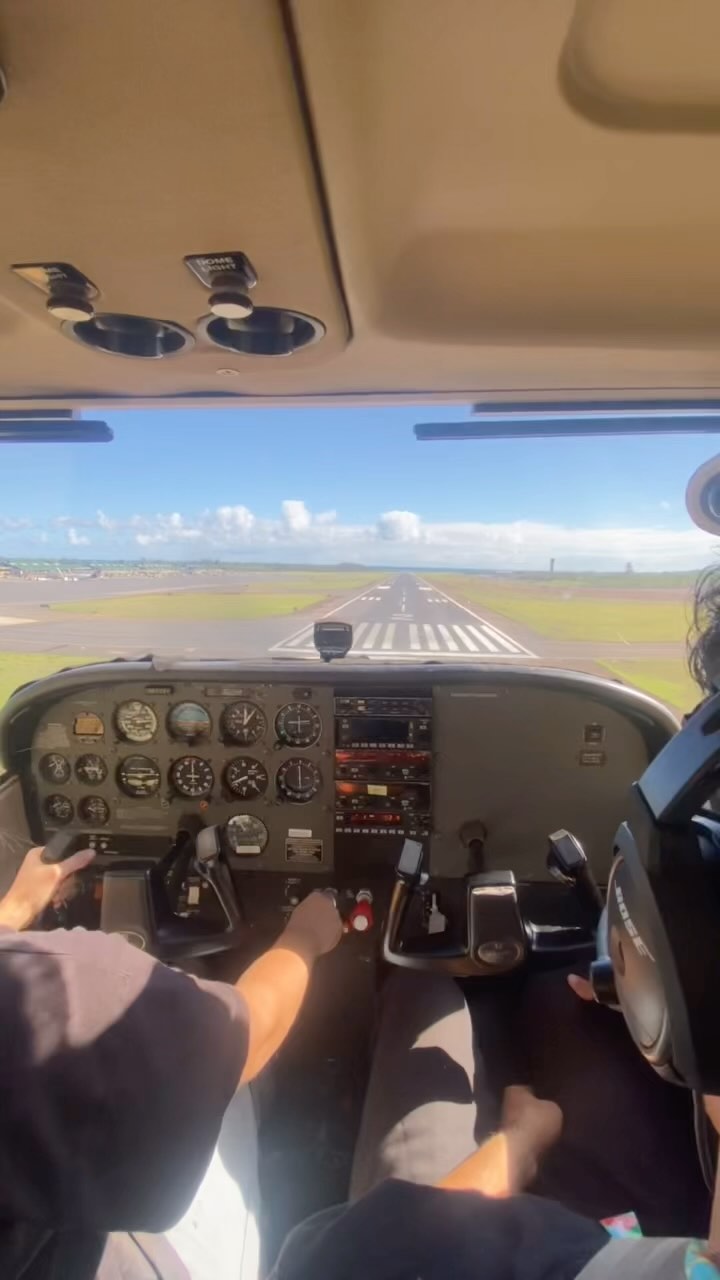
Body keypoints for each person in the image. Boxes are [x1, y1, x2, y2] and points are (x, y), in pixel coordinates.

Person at [0, 843, 343, 1280]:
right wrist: (307, 935)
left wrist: (12, 912)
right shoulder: (47, 986)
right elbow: (249, 1035)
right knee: (230, 1083)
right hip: (107, 1259)